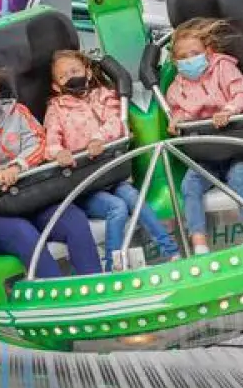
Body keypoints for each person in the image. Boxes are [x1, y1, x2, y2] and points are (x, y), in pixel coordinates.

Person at [0, 66, 101, 278]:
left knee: (75, 220)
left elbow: (39, 142)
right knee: (24, 234)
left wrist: (16, 167)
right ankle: (55, 295)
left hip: (32, 195)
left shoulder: (17, 113)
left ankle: (94, 285)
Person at [43, 50, 180, 269]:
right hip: (85, 181)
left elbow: (117, 122)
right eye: (63, 76)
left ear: (87, 72)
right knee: (116, 208)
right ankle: (114, 265)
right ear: (56, 86)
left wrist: (99, 139)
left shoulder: (103, 96)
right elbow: (50, 139)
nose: (71, 77)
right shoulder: (56, 109)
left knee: (134, 198)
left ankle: (171, 252)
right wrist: (58, 152)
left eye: (75, 71)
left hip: (111, 172)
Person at [167, 17, 243, 253]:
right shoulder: (177, 87)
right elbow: (180, 112)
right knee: (190, 185)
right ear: (175, 61)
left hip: (233, 144)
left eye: (194, 53)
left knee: (239, 176)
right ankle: (198, 243)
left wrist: (228, 110)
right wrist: (176, 120)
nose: (189, 60)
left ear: (208, 51)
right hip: (205, 152)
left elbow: (241, 94)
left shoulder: (224, 68)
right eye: (183, 57)